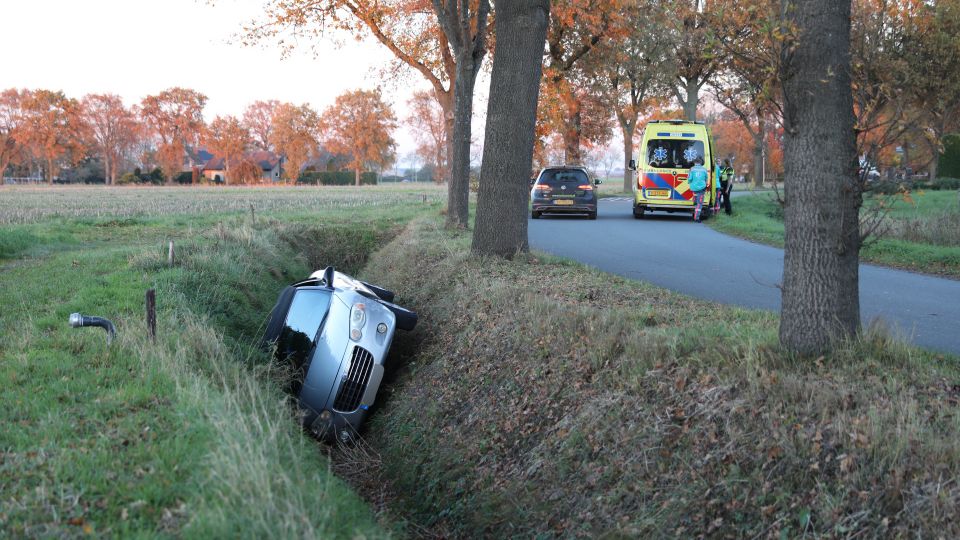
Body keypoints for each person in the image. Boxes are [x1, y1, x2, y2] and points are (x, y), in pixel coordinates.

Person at [688, 157, 709, 222]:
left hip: (694, 187)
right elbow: (706, 178)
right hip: (701, 188)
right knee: (699, 204)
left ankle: (694, 201)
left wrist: (690, 182)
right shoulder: (704, 169)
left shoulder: (692, 169)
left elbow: (690, 179)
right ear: (700, 163)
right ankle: (696, 218)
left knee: (696, 196)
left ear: (694, 162)